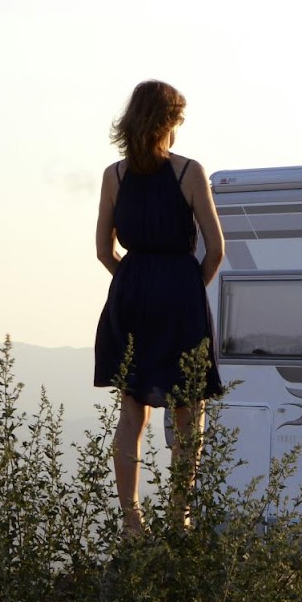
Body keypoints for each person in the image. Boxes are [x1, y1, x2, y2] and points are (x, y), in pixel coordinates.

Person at [93, 80, 224, 538]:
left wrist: (134, 284)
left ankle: (132, 521)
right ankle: (179, 516)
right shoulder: (189, 172)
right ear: (168, 121)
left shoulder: (115, 175)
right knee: (188, 410)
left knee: (133, 412)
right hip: (179, 291)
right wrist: (186, 289)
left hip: (131, 292)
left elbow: (103, 250)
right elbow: (216, 249)